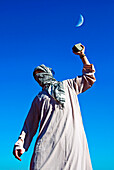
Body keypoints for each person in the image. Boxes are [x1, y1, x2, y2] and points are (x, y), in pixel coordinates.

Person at [13, 44, 96, 170]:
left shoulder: (69, 86)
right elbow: (29, 125)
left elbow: (89, 77)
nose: (39, 77)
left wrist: (82, 56)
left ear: (48, 72)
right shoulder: (39, 98)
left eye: (40, 73)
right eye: (36, 76)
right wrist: (20, 144)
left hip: (72, 143)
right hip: (47, 144)